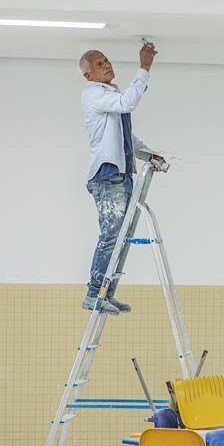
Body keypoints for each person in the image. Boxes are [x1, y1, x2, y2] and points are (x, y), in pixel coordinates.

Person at [79, 43, 166, 315]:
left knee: (120, 239)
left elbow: (128, 139)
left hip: (121, 177)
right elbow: (128, 101)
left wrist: (151, 155)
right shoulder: (93, 94)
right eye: (99, 64)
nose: (107, 65)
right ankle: (94, 294)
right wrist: (145, 68)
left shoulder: (110, 95)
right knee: (110, 237)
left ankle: (107, 294)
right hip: (108, 178)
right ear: (89, 75)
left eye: (106, 60)